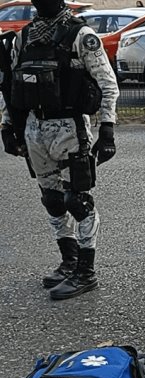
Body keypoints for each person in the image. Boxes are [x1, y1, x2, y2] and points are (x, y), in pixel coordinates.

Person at [0, 0, 119, 300]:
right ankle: (68, 261)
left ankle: (85, 271)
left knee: (77, 200)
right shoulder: (23, 38)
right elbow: (11, 86)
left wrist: (107, 130)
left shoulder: (81, 35)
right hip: (34, 127)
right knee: (51, 199)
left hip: (70, 127)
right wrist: (6, 127)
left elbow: (107, 84)